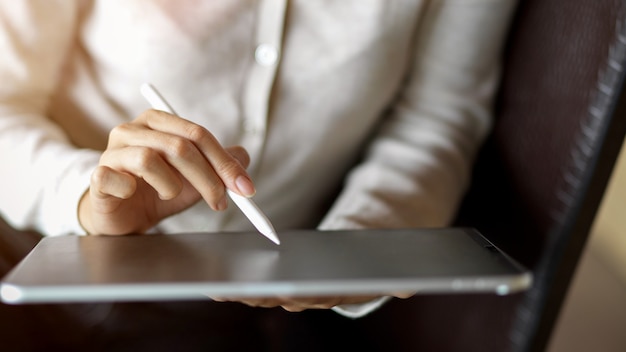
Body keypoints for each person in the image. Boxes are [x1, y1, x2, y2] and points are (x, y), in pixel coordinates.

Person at [0, 0, 518, 350]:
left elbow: (439, 116)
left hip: (225, 310)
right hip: (23, 250)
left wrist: (360, 246)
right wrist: (85, 195)